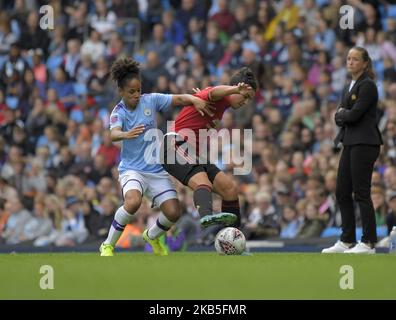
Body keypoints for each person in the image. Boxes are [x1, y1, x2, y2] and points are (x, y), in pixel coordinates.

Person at [99, 57, 214, 256]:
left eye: (138, 90)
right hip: (132, 169)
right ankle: (108, 245)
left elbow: (178, 99)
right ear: (121, 92)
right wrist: (125, 134)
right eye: (131, 92)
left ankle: (151, 236)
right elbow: (114, 133)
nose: (136, 95)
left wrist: (195, 99)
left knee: (173, 212)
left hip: (156, 170)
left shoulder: (150, 100)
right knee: (133, 202)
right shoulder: (119, 112)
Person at [161, 67, 257, 229]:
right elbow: (214, 92)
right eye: (245, 96)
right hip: (175, 144)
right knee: (202, 182)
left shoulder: (221, 104)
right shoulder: (219, 96)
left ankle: (232, 240)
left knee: (230, 189)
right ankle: (206, 217)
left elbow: (210, 93)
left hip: (193, 153)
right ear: (235, 88)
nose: (245, 102)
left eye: (249, 99)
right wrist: (234, 89)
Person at [322, 47, 383, 254]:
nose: (350, 62)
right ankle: (347, 239)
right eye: (348, 58)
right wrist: (342, 114)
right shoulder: (349, 85)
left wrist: (342, 114)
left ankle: (368, 242)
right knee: (341, 191)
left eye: (355, 59)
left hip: (365, 143)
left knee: (361, 193)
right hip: (350, 142)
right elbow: (339, 116)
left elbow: (352, 115)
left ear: (365, 63)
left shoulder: (368, 85)